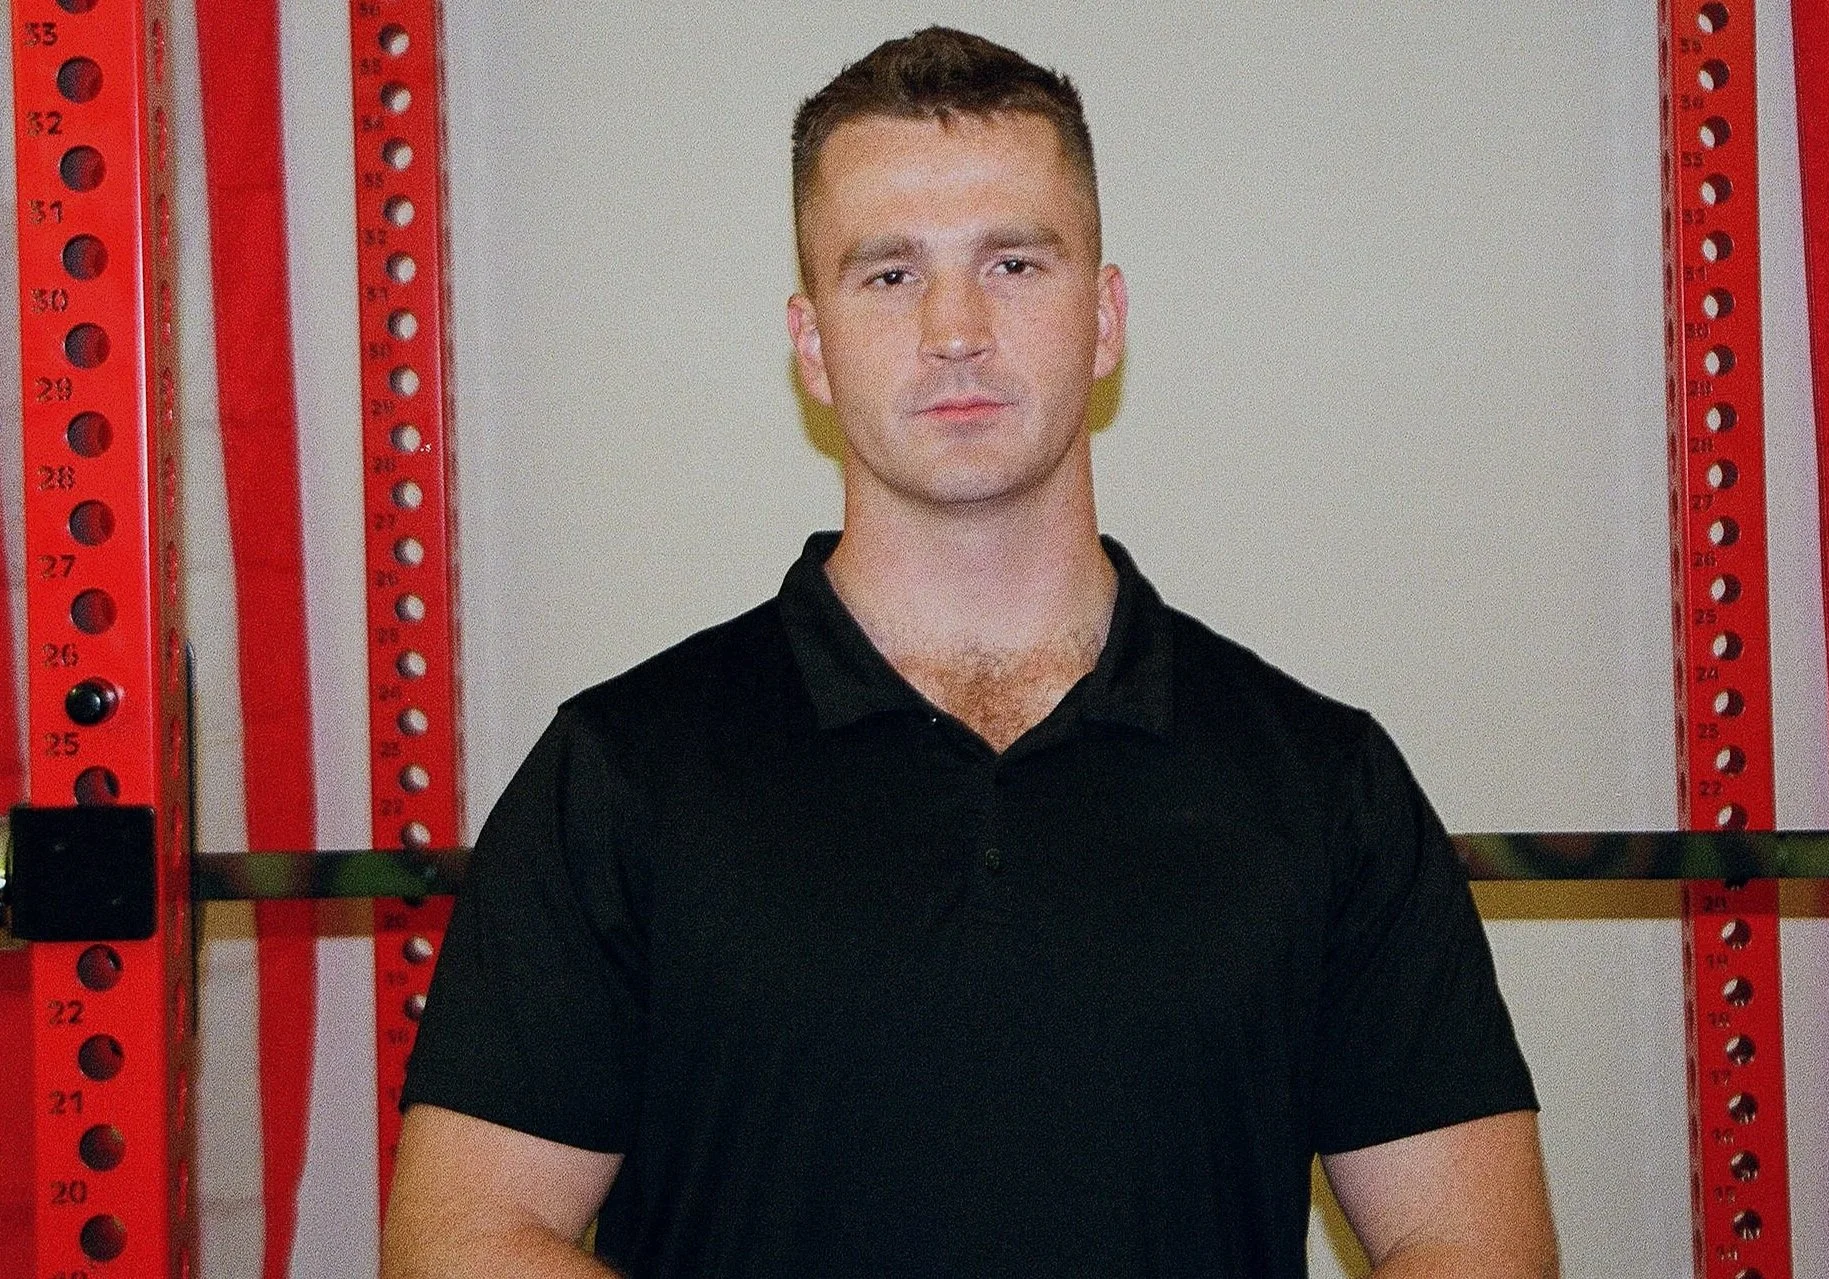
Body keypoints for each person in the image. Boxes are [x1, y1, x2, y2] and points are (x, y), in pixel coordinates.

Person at [382, 27, 1559, 1279]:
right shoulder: (622, 771)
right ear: (810, 342)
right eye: (888, 274)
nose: (955, 327)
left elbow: (1472, 1243)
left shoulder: (1321, 780)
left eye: (1011, 261)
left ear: (1103, 318)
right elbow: (461, 1237)